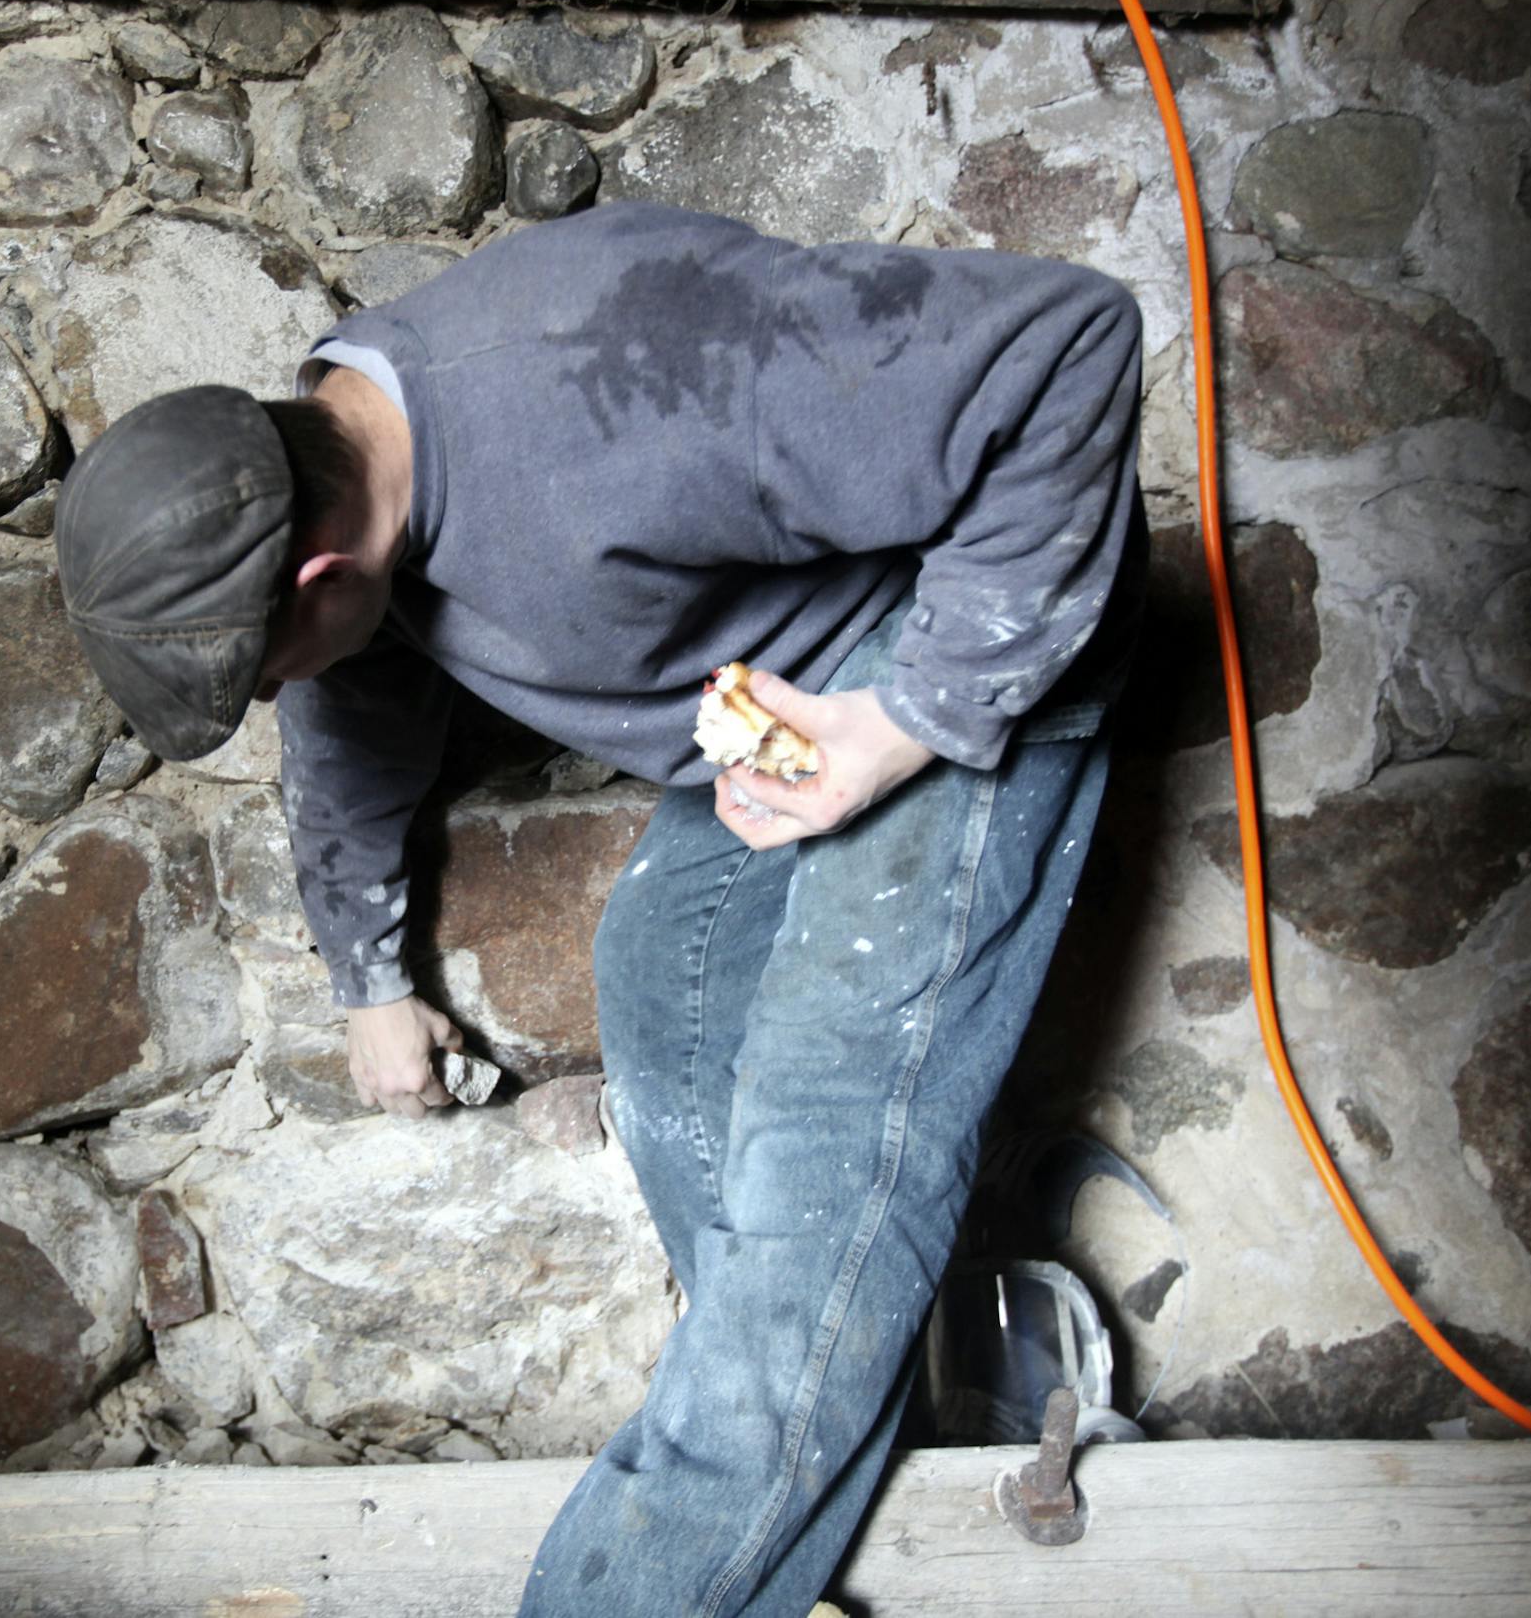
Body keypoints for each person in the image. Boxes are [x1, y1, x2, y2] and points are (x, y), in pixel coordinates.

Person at [57, 200, 1146, 1618]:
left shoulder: (617, 364)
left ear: (315, 577)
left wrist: (904, 722)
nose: (287, 699)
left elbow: (1072, 342)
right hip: (780, 710)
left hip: (960, 647)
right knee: (659, 978)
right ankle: (799, 1446)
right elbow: (348, 744)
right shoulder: (341, 504)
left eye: (266, 676)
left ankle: (655, 1570)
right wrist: (367, 975)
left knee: (827, 1118)